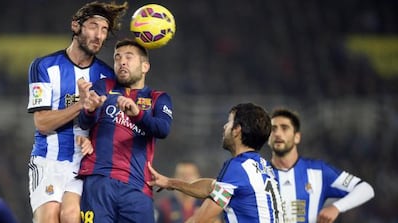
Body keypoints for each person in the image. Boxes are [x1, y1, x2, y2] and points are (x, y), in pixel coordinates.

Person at [26, 2, 128, 223]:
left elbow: (107, 126)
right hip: (48, 160)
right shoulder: (44, 66)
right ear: (76, 26)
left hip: (83, 164)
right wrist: (80, 104)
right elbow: (42, 123)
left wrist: (93, 141)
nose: (99, 35)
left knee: (71, 216)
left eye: (104, 30)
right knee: (50, 218)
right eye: (93, 26)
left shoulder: (107, 76)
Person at [77, 38, 174, 223]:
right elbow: (84, 123)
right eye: (117, 57)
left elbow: (163, 129)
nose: (122, 61)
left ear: (145, 66)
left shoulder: (158, 98)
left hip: (137, 187)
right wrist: (89, 110)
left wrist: (137, 114)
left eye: (129, 57)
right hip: (99, 181)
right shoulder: (104, 86)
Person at [148, 103, 285, 223]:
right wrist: (170, 183)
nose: (225, 126)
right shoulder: (263, 168)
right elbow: (211, 187)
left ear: (237, 130)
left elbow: (200, 220)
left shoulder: (237, 168)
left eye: (229, 122)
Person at [267, 108, 375, 223]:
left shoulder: (318, 172)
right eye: (273, 129)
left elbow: (366, 189)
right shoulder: (257, 174)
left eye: (284, 128)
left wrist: (336, 207)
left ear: (297, 137)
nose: (277, 133)